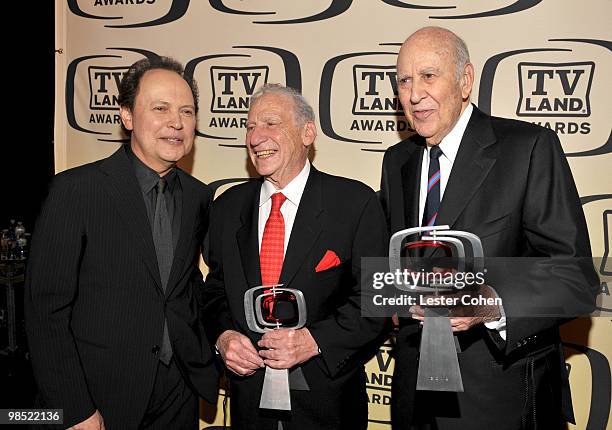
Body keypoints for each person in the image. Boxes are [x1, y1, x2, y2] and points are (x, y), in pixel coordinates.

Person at [380, 27, 599, 429]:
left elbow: (576, 279)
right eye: (404, 80)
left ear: (465, 80)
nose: (413, 94)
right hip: (415, 398)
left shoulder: (527, 148)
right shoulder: (397, 161)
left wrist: (490, 304)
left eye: (428, 75)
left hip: (502, 399)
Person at [25, 56, 218, 429]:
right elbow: (45, 311)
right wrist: (74, 408)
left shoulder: (197, 197)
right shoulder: (77, 190)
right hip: (98, 396)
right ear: (127, 116)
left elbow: (181, 285)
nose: (176, 122)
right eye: (160, 108)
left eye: (187, 111)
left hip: (178, 394)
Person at [201, 84, 388, 430]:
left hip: (328, 406)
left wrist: (314, 341)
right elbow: (214, 292)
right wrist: (224, 335)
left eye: (270, 123)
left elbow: (375, 303)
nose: (256, 138)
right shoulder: (227, 208)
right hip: (248, 405)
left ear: (307, 132)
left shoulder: (356, 203)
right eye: (250, 127)